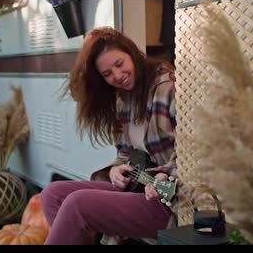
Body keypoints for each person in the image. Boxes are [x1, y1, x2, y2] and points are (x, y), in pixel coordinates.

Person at [40, 26, 177, 245]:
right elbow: (126, 152)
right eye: (107, 74)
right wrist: (115, 169)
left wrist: (166, 174)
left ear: (131, 53)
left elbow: (193, 150)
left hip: (168, 199)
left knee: (78, 204)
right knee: (52, 194)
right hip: (137, 187)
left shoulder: (167, 87)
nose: (118, 76)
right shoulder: (123, 98)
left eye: (119, 64)